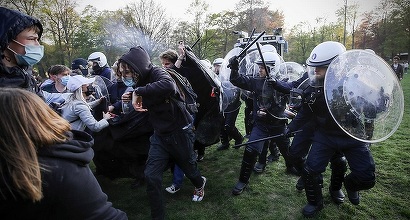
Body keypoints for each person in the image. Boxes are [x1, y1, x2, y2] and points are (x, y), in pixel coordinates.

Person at [0, 87, 127, 219]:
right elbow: (94, 125)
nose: (90, 90)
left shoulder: (70, 101)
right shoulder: (59, 169)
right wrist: (106, 119)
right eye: (86, 88)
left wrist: (96, 102)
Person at [285, 41, 376, 217]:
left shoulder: (356, 84)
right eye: (314, 68)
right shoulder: (313, 87)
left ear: (336, 67)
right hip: (325, 135)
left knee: (367, 177)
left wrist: (378, 100)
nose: (315, 72)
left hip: (352, 135)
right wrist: (290, 128)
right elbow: (305, 113)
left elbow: (371, 108)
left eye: (321, 68)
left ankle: (349, 185)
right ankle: (315, 203)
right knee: (310, 171)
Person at [119, 46, 206, 220]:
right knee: (151, 176)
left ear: (139, 67)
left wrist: (138, 92)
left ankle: (199, 182)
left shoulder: (158, 72)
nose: (126, 76)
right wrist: (127, 98)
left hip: (180, 130)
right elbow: (144, 96)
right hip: (160, 134)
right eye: (123, 73)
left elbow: (168, 86)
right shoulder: (139, 81)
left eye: (128, 72)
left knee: (188, 167)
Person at [228, 50, 294, 195]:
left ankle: (291, 167)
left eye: (262, 67)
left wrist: (280, 109)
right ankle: (243, 180)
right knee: (250, 150)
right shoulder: (256, 81)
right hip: (261, 125)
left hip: (278, 124)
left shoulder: (284, 81)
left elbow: (290, 96)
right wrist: (234, 68)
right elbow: (237, 80)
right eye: (259, 67)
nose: (259, 70)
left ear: (272, 68)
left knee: (286, 149)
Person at [0, 7, 44, 98]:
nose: (37, 44)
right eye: (31, 39)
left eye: (37, 39)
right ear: (6, 41)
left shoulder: (26, 75)